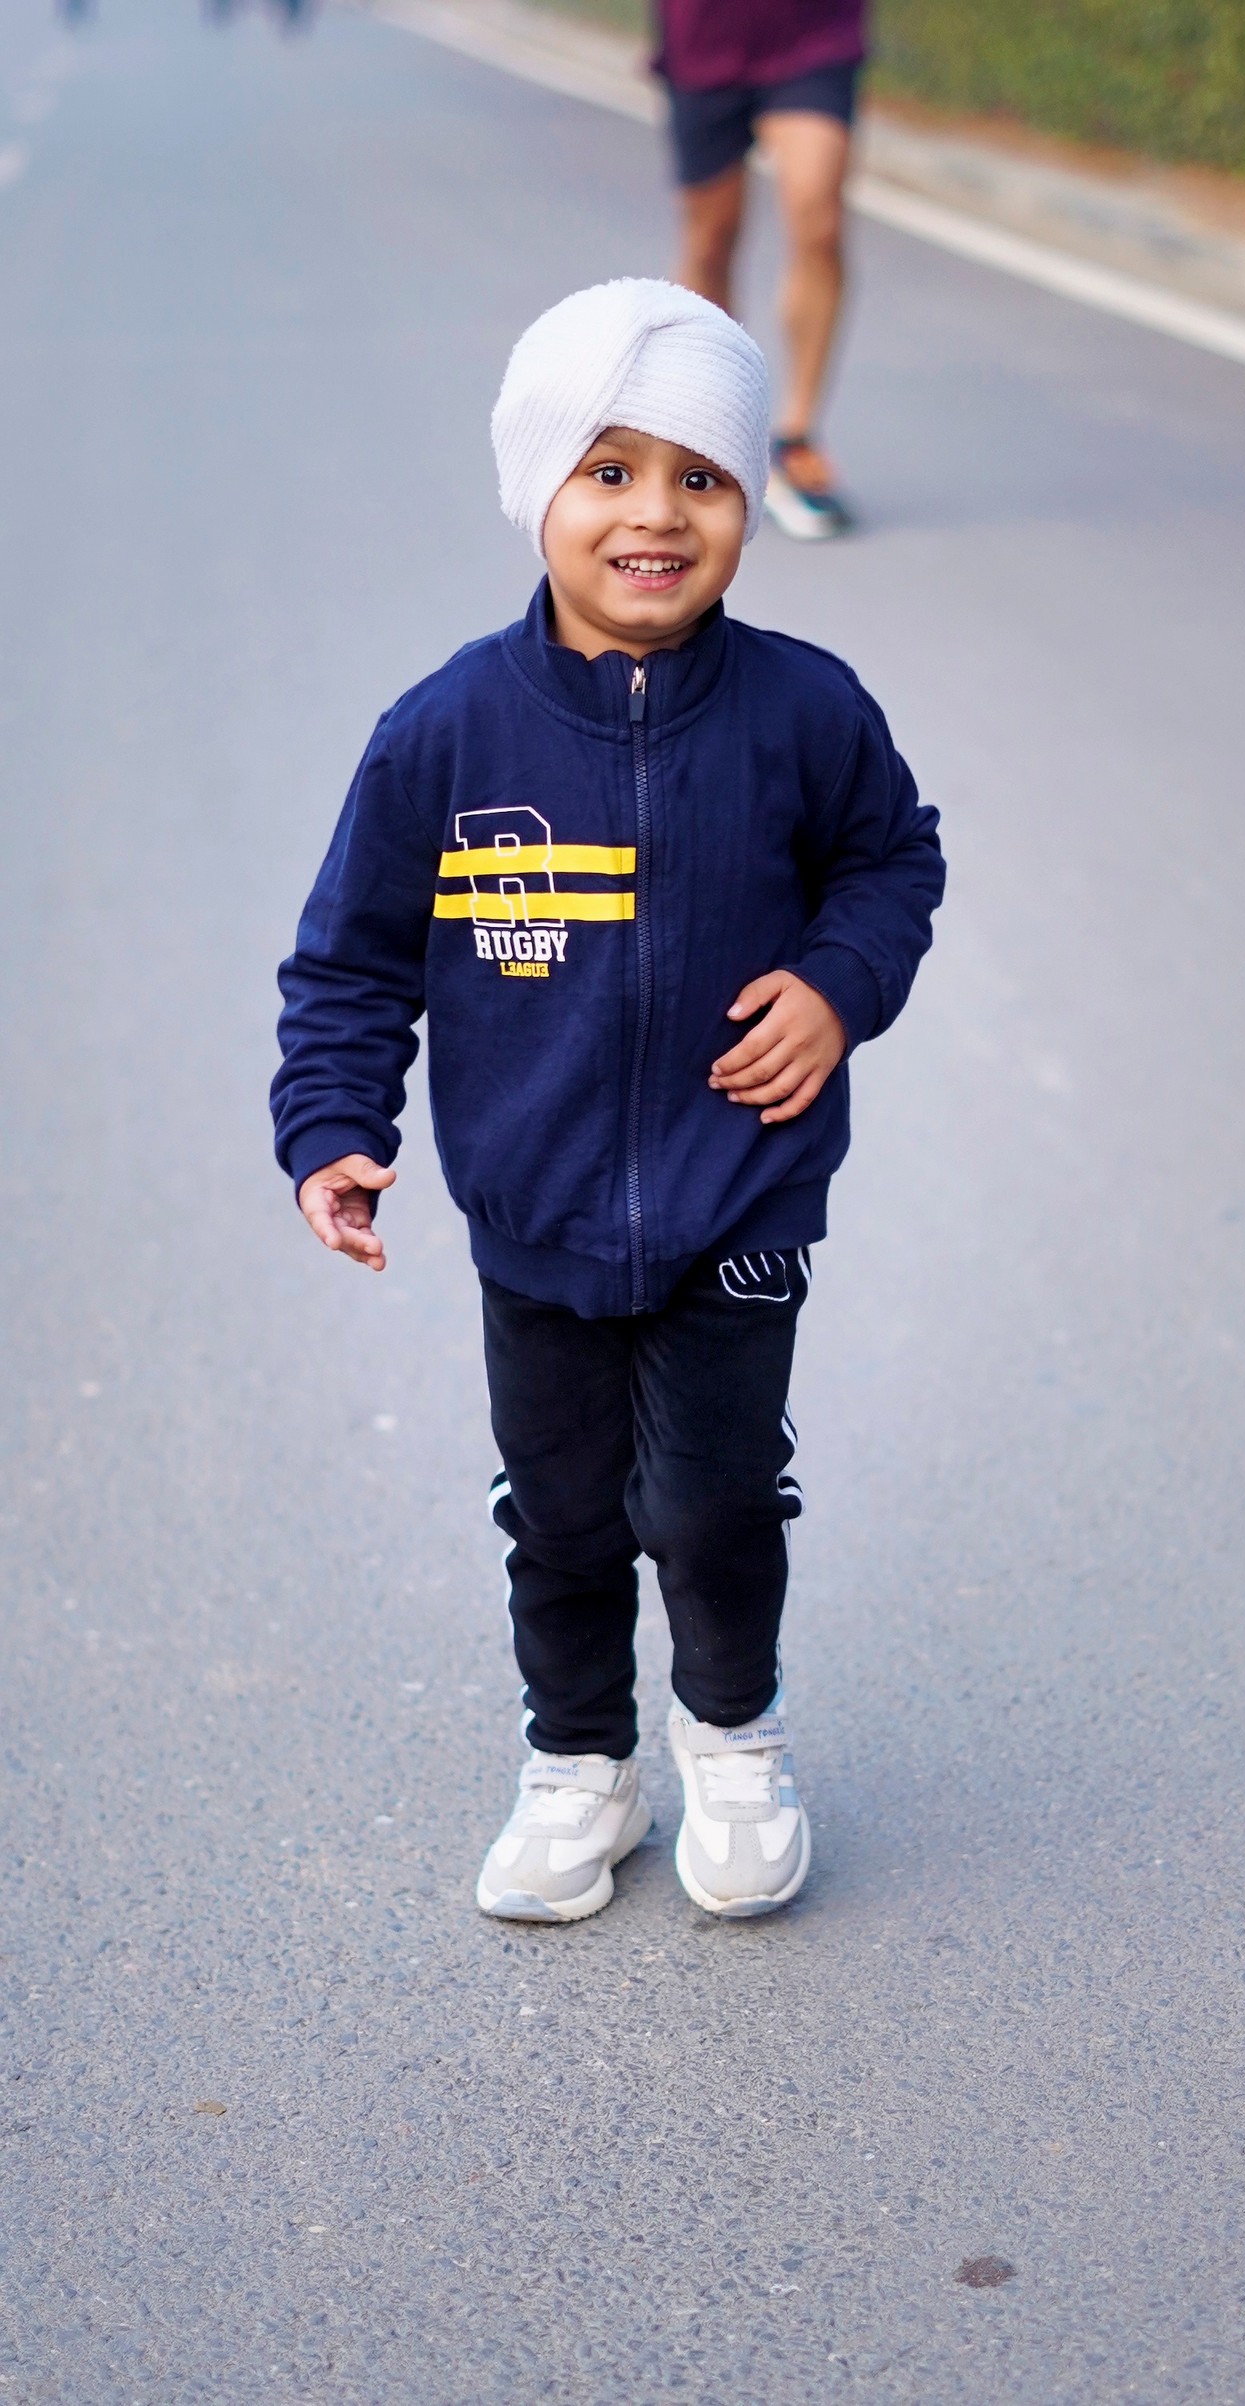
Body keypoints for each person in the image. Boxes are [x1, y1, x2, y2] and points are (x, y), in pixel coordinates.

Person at [272, 280, 943, 1924]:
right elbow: (351, 959)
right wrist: (335, 1124)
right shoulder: (444, 733)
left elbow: (891, 863)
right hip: (537, 1209)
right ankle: (580, 1762)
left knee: (712, 1502)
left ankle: (732, 1739)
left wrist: (837, 985)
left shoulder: (806, 713)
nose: (656, 514)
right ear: (538, 490)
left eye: (702, 477)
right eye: (611, 471)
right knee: (562, 1514)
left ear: (747, 505)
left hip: (743, 1195)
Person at [655, 0, 866, 539]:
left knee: (819, 220)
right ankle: (715, 433)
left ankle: (795, 439)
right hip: (704, 37)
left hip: (815, 31)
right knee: (710, 242)